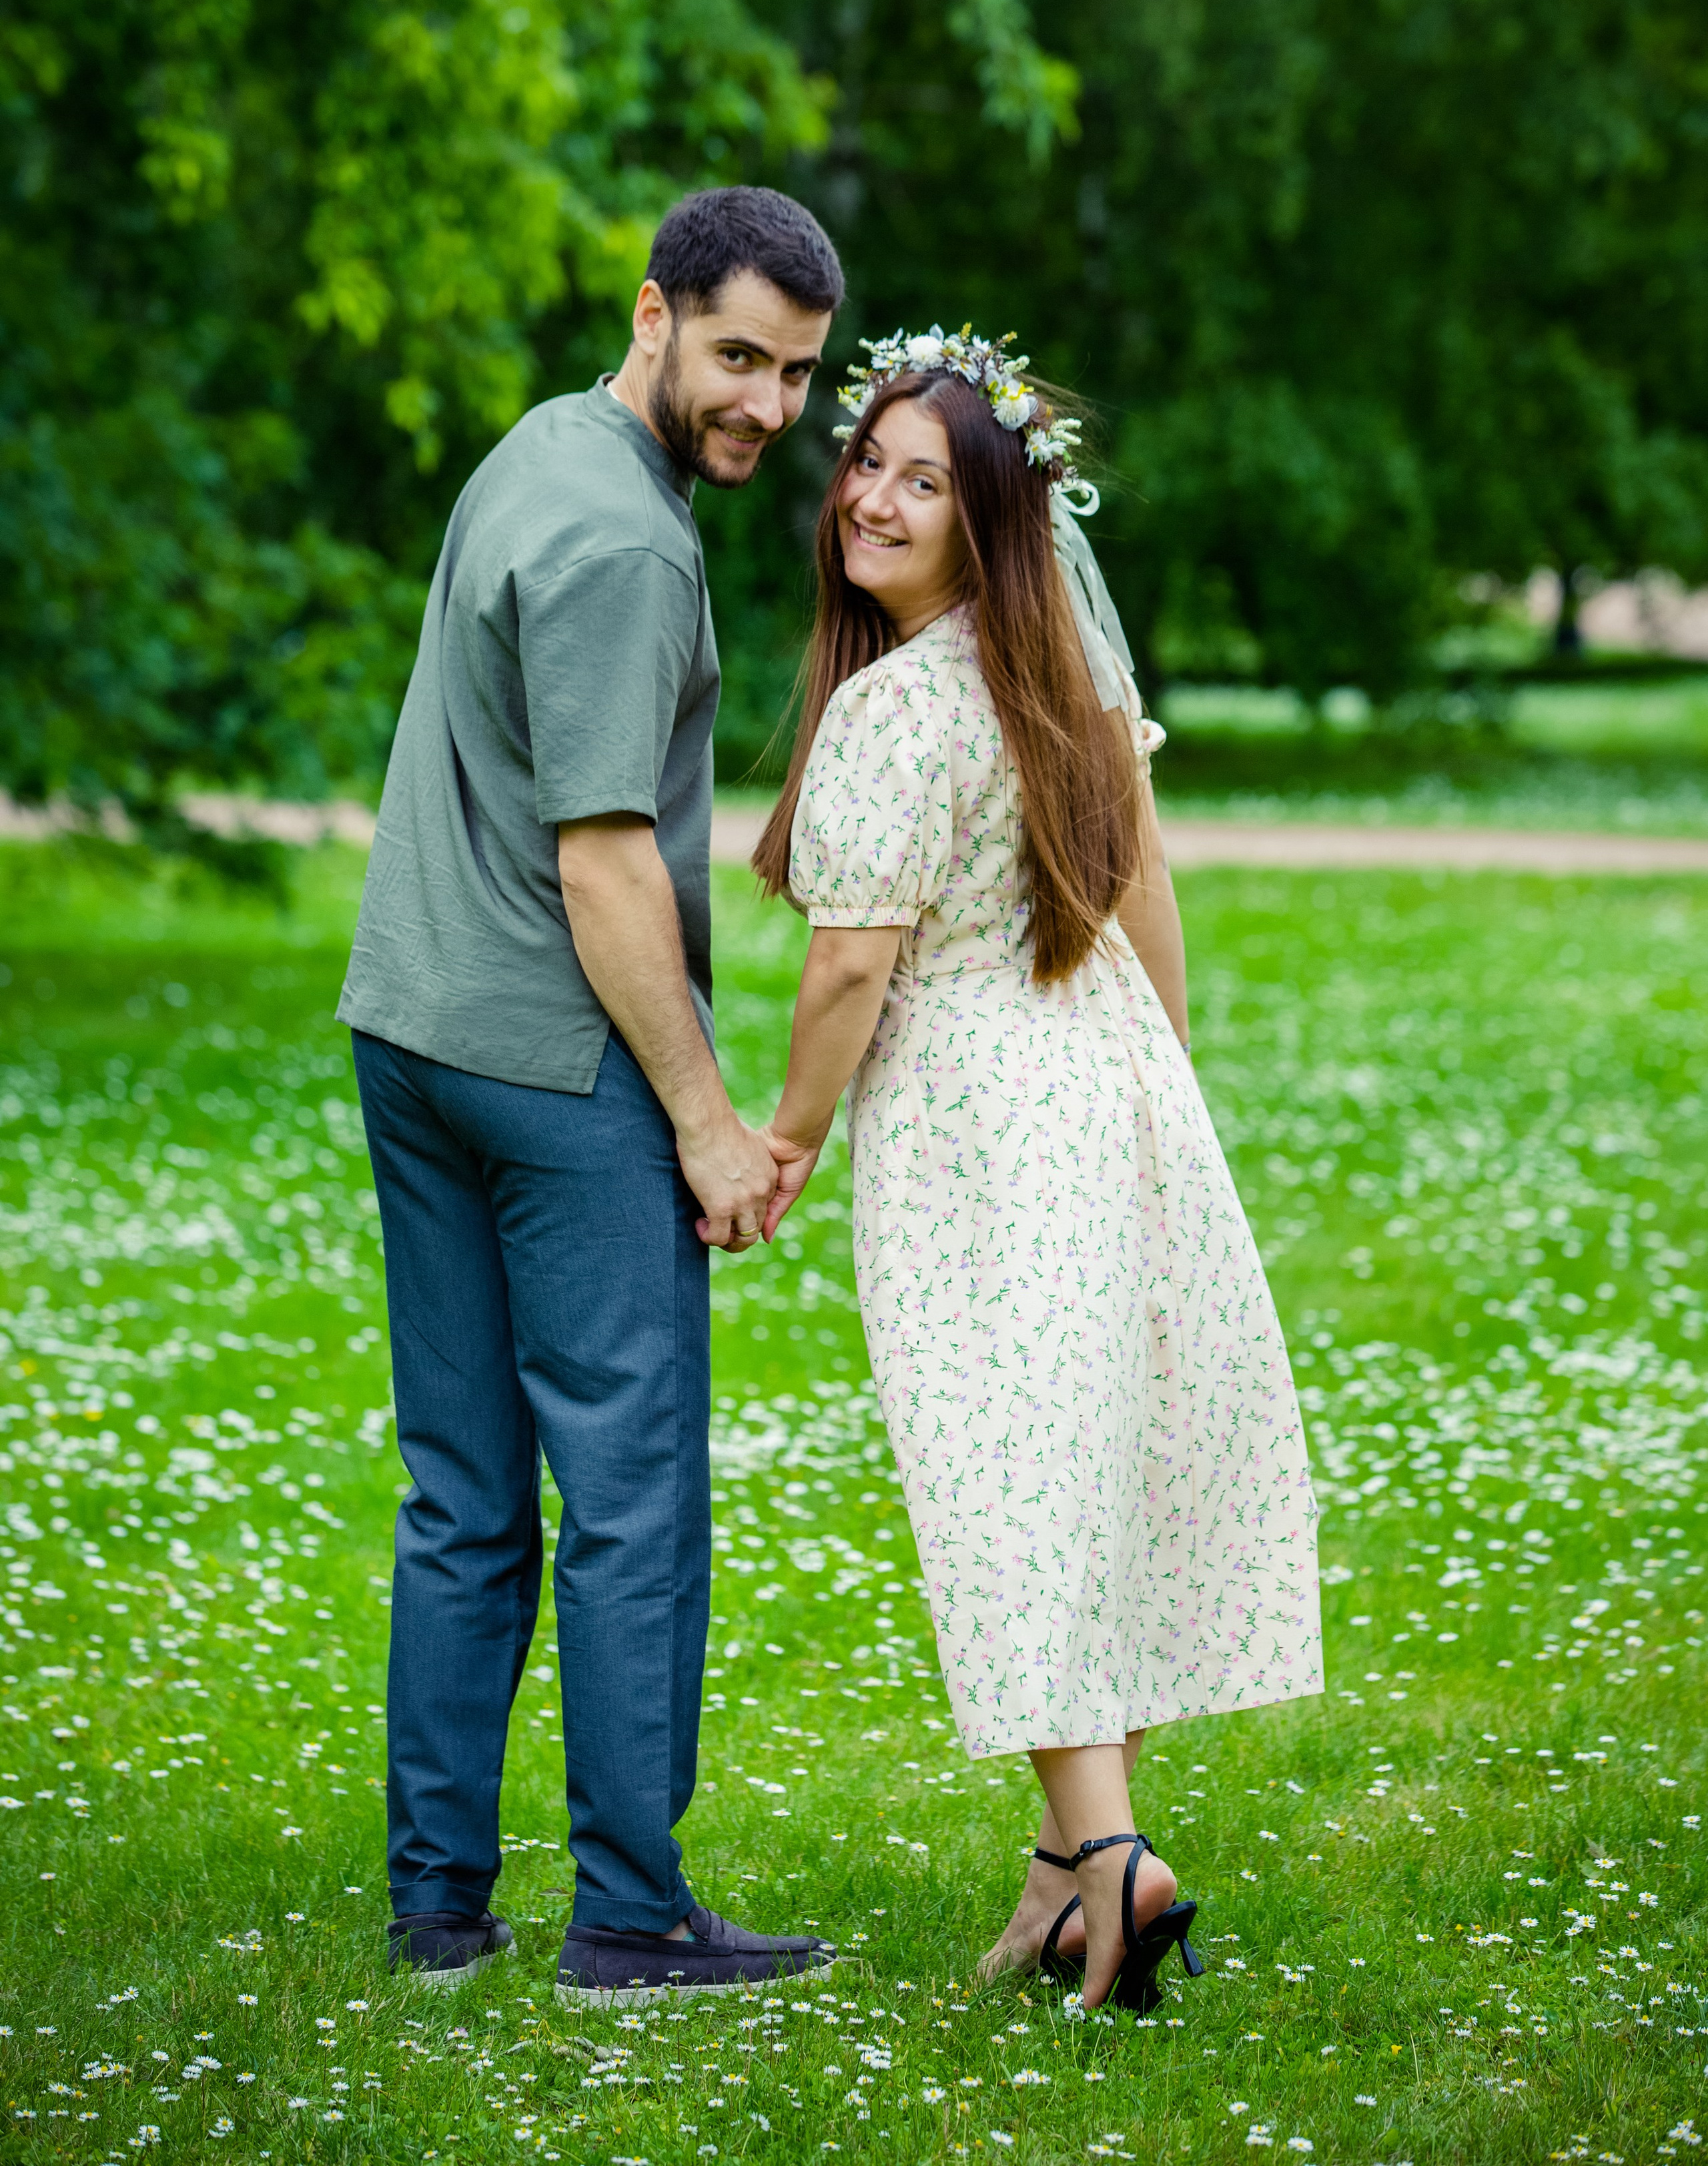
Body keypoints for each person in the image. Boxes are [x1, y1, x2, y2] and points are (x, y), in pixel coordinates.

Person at [752, 325, 1322, 2013]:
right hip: (1115, 1083)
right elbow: (1145, 896)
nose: (872, 495)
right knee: (1081, 1486)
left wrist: (781, 1141)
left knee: (1005, 1495)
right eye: (866, 461)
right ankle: (1067, 1880)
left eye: (923, 481)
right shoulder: (1057, 672)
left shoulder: (888, 710)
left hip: (979, 1130)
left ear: (987, 513)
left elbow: (849, 970)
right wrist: (1172, 1099)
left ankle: (1115, 1866)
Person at [338, 186, 846, 2001]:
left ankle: (438, 1908)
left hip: (412, 1029)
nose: (766, 408)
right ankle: (629, 1917)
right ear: (655, 313)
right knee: (629, 1492)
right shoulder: (630, 545)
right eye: (735, 359)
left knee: (464, 1488)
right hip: (555, 1067)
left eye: (795, 376)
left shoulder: (542, 450)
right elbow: (607, 862)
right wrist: (708, 1116)